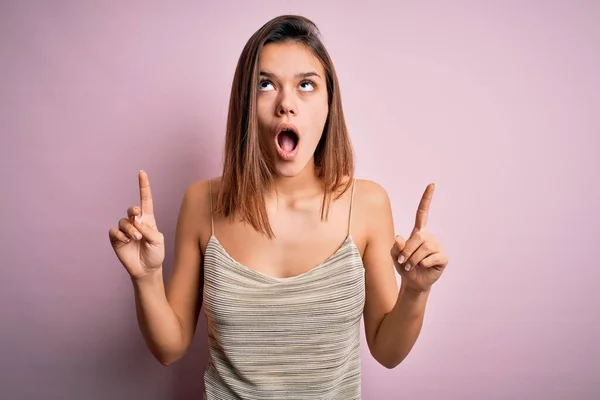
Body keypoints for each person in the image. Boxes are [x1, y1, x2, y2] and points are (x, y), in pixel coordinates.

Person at [108, 14, 448, 400]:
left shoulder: (367, 204)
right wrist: (146, 277)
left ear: (328, 103)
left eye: (306, 85)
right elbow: (169, 348)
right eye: (266, 85)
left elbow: (387, 352)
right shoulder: (202, 203)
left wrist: (416, 291)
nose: (286, 104)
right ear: (245, 104)